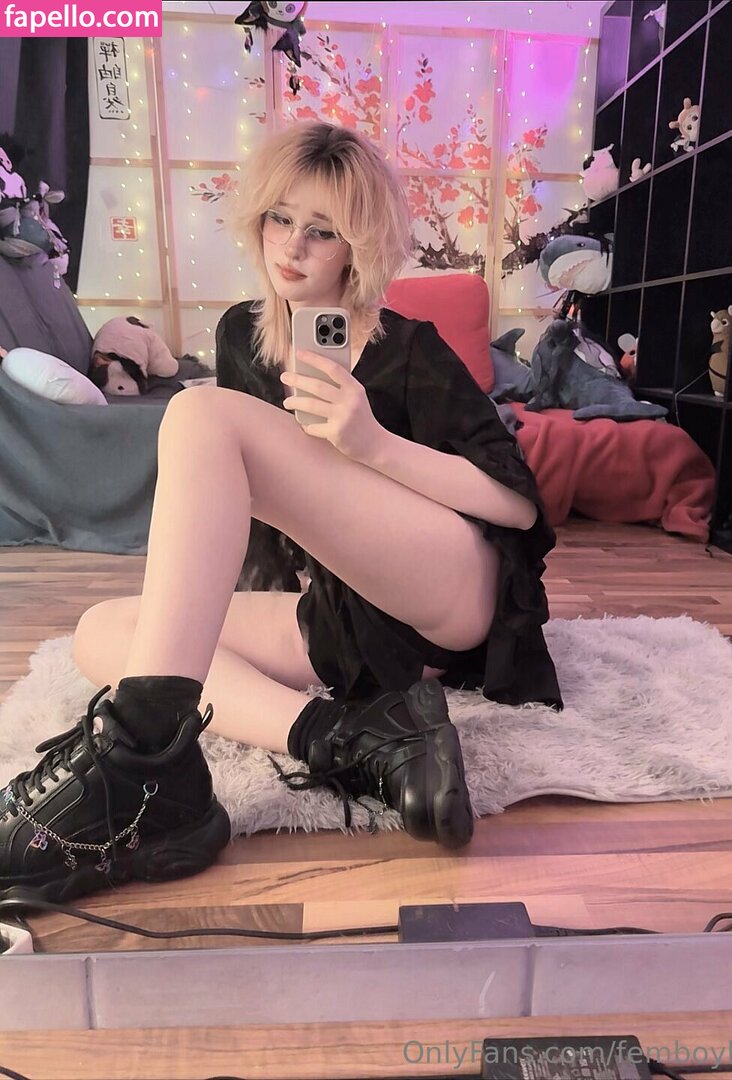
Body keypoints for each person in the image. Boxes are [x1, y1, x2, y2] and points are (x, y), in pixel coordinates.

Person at [0, 121, 561, 908]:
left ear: (356, 245)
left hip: (451, 594)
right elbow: (258, 518)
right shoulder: (243, 335)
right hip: (343, 610)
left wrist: (372, 445)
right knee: (105, 632)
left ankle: (141, 759)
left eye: (322, 230)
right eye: (280, 218)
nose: (293, 246)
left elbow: (515, 503)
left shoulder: (409, 348)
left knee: (200, 415)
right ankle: (350, 741)